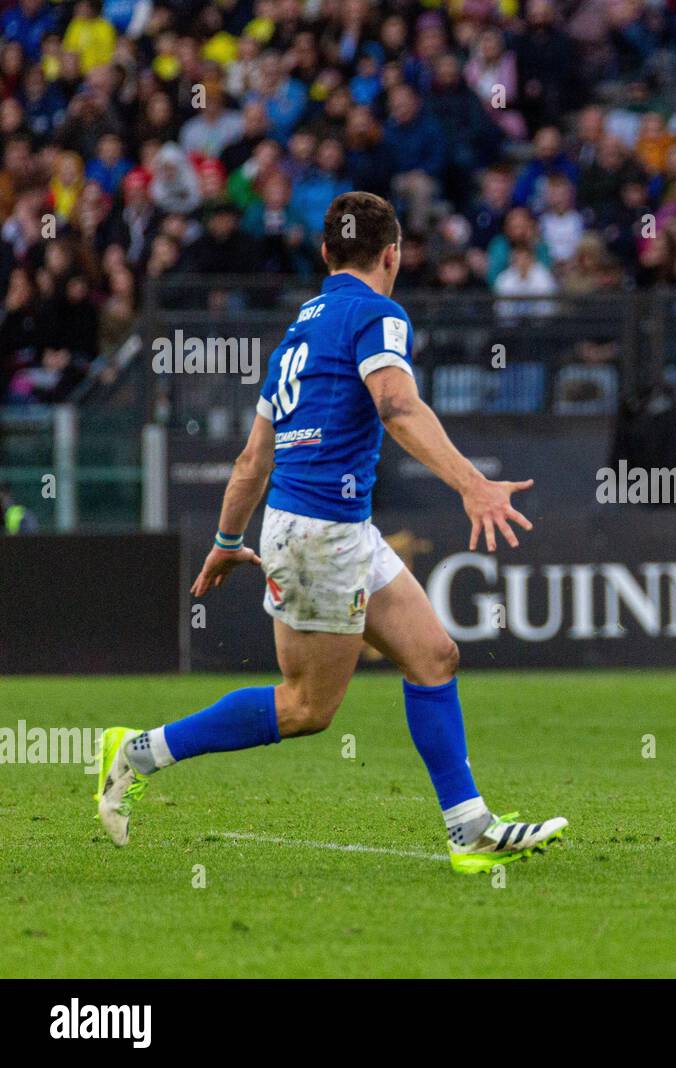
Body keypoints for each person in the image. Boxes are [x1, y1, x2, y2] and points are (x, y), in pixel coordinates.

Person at [94, 192, 566, 874]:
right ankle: (141, 751)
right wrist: (472, 483)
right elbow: (397, 404)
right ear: (392, 254)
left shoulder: (298, 333)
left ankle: (470, 830)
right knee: (307, 707)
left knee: (434, 656)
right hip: (321, 534)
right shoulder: (379, 313)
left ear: (324, 255)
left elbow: (254, 459)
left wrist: (228, 540)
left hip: (332, 526)